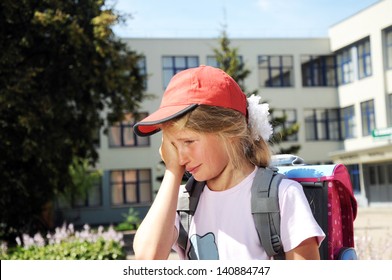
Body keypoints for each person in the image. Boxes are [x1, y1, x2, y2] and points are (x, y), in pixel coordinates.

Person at [132, 65, 325, 260]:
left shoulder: (283, 196)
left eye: (188, 141)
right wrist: (172, 172)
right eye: (172, 146)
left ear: (230, 132)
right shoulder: (182, 201)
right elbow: (147, 259)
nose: (180, 158)